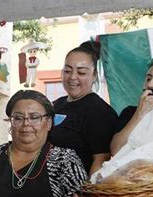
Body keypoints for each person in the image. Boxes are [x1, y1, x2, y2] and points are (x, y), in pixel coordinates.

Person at [48, 41, 117, 175]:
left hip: (75, 192)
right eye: (67, 71)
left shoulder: (100, 112)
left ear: (94, 75)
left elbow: (101, 159)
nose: (73, 77)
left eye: (81, 72)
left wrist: (87, 194)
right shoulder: (56, 104)